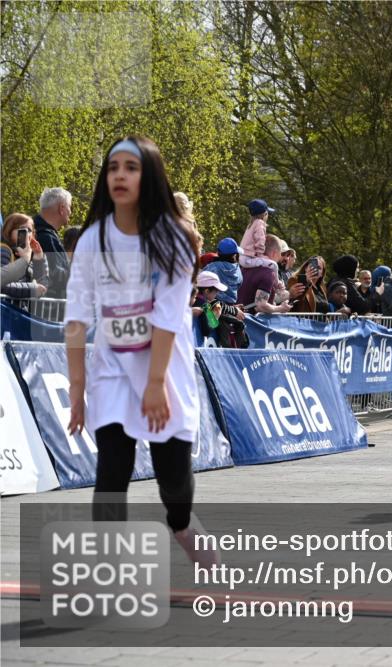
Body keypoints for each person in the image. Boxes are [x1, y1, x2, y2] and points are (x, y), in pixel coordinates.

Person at [63, 135, 217, 567]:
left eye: (131, 167)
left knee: (174, 485)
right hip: (112, 366)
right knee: (111, 469)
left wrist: (154, 383)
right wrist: (78, 389)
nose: (120, 176)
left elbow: (169, 316)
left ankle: (185, 528)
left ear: (148, 177)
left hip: (164, 367)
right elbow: (76, 316)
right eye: (113, 168)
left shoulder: (173, 237)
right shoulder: (93, 239)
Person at [235, 234, 296, 313]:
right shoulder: (268, 273)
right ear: (274, 253)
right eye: (280, 253)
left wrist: (279, 291)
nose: (280, 257)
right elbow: (260, 306)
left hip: (239, 319)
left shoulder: (245, 268)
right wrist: (280, 308)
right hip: (252, 322)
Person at [33, 187, 72, 298]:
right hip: (46, 309)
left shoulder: (37, 232)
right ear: (62, 209)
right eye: (70, 207)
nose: (70, 211)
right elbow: (55, 274)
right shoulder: (45, 237)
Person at [1, 213, 50, 299]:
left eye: (29, 230)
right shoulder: (4, 250)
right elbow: (2, 284)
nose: (26, 233)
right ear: (9, 231)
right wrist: (31, 289)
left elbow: (43, 287)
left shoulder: (32, 254)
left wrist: (39, 259)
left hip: (20, 311)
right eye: (22, 229)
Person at [239, 199, 280, 274]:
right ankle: (277, 283)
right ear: (264, 214)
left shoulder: (251, 224)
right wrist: (260, 255)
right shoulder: (260, 223)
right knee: (273, 265)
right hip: (248, 259)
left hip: (243, 257)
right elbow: (260, 241)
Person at [203, 238, 243, 305]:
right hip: (231, 307)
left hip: (214, 306)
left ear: (218, 252)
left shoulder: (212, 267)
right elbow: (239, 285)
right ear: (234, 254)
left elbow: (200, 283)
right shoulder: (238, 269)